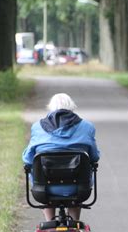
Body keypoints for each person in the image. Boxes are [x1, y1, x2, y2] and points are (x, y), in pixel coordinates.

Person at [23, 93, 100, 221]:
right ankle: (75, 221)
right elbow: (94, 157)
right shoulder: (87, 127)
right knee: (81, 174)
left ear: (51, 108)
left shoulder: (37, 127)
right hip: (78, 188)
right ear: (72, 108)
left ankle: (50, 222)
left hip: (44, 189)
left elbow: (27, 159)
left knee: (40, 172)